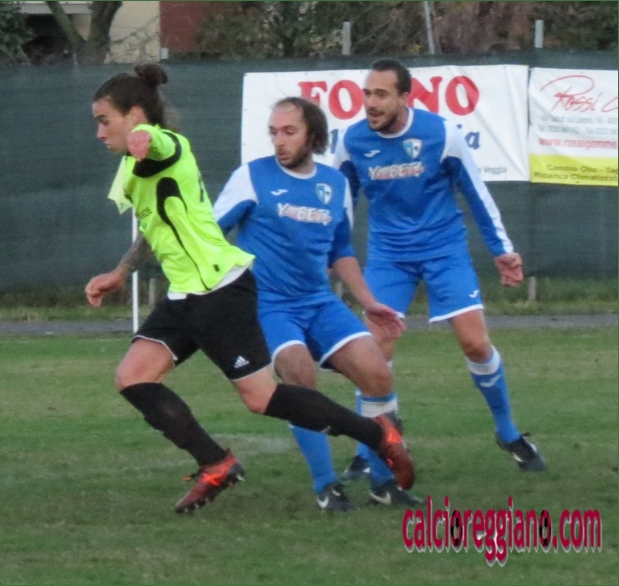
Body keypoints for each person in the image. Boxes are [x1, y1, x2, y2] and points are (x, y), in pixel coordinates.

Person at [84, 63, 414, 514]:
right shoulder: (132, 164)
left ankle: (377, 434)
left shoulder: (166, 148)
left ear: (136, 116)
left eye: (105, 121)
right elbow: (154, 224)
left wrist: (147, 137)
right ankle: (215, 463)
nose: (100, 132)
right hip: (185, 294)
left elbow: (161, 142)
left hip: (219, 292)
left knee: (262, 399)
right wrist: (121, 271)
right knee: (132, 377)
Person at [333, 58, 545, 487]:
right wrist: (328, 252)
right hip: (389, 255)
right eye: (366, 94)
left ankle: (507, 432)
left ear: (404, 97)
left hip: (444, 250)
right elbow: (340, 205)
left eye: (381, 94)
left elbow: (475, 192)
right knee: (372, 354)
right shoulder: (352, 141)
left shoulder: (441, 134)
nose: (370, 103)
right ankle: (366, 449)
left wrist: (502, 251)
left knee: (475, 343)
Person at [213, 97, 421, 510]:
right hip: (270, 305)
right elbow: (210, 233)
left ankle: (384, 485)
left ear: (313, 135)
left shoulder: (335, 184)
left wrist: (369, 301)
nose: (279, 141)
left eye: (289, 132)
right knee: (299, 374)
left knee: (377, 372)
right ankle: (327, 485)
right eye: (274, 132)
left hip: (319, 302)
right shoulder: (251, 177)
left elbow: (340, 249)